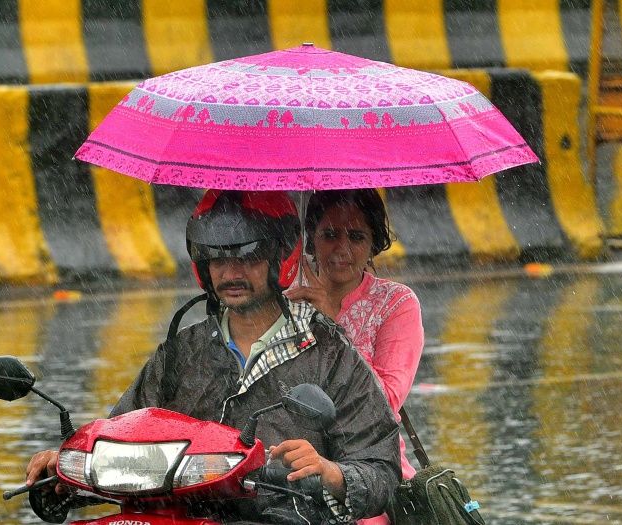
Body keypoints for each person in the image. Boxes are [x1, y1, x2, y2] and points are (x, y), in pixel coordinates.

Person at [26, 189, 402, 524]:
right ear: (202, 265)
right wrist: (67, 462)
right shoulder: (179, 353)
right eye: (217, 258)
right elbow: (122, 436)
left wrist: (330, 472)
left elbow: (381, 472)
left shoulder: (330, 353)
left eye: (248, 256)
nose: (231, 273)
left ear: (279, 256)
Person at [284, 189, 424, 525]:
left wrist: (331, 321)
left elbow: (384, 403)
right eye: (330, 234)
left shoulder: (396, 304)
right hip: (289, 470)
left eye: (357, 236)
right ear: (311, 238)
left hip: (368, 474)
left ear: (374, 242)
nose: (342, 249)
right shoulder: (284, 301)